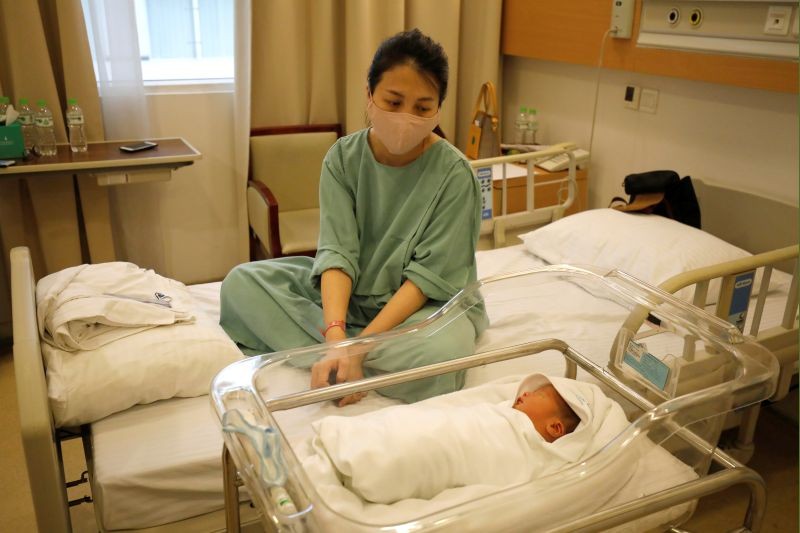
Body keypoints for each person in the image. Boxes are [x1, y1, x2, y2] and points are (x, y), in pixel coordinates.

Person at [219, 28, 487, 406]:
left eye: (422, 108)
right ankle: (345, 360)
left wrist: (358, 348)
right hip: (354, 300)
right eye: (393, 102)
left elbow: (427, 281)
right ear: (369, 95)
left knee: (441, 353)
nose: (405, 118)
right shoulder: (343, 160)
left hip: (422, 308)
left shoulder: (455, 175)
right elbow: (338, 254)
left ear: (438, 109)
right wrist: (335, 335)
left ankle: (343, 363)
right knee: (241, 284)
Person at [309, 373, 628, 504]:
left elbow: (486, 461)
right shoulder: (502, 415)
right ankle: (357, 448)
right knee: (415, 425)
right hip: (445, 428)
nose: (524, 393)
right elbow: (457, 422)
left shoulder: (534, 452)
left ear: (555, 429)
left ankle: (365, 463)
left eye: (536, 397)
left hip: (445, 449)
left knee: (420, 448)